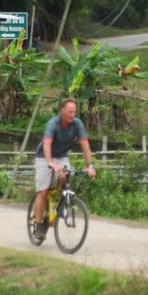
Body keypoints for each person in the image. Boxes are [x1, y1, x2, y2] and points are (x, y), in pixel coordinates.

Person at [31, 96, 96, 237]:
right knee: (43, 192)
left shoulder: (77, 124)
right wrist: (50, 162)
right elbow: (47, 143)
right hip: (44, 157)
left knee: (65, 178)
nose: (72, 115)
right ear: (62, 111)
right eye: (69, 112)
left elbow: (84, 143)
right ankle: (39, 223)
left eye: (74, 112)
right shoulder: (53, 124)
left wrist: (90, 166)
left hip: (61, 157)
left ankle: (60, 206)